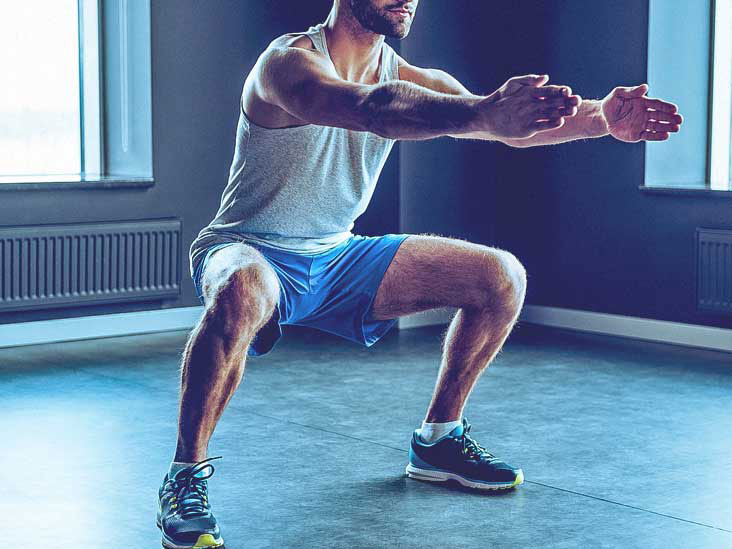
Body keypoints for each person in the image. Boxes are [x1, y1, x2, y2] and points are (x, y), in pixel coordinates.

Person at [156, 1, 683, 547]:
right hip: (249, 247)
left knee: (501, 276)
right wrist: (481, 112)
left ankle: (438, 439)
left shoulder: (410, 78)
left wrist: (600, 117)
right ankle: (185, 477)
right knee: (245, 288)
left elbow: (505, 128)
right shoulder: (287, 63)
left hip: (338, 257)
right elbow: (369, 108)